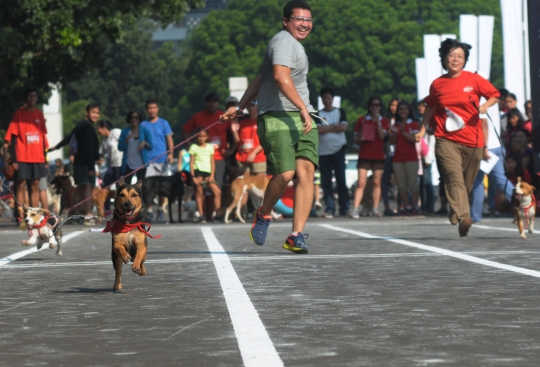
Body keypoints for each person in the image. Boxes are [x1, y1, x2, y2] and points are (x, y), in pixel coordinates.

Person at [220, 0, 318, 253]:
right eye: (299, 19)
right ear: (286, 21)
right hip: (278, 116)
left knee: (306, 173)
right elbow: (279, 77)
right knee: (286, 174)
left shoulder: (292, 45)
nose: (304, 24)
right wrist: (303, 108)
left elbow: (262, 76)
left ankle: (296, 235)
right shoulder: (284, 41)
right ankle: (263, 214)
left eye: (308, 20)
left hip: (302, 117)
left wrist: (241, 105)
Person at [415, 38, 499, 237]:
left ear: (465, 60)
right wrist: (422, 128)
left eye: (460, 56)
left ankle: (455, 210)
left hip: (474, 140)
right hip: (446, 139)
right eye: (451, 55)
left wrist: (486, 106)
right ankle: (464, 217)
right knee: (454, 178)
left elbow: (495, 95)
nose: (455, 59)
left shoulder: (474, 80)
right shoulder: (438, 84)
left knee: (466, 183)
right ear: (444, 59)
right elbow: (430, 105)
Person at [50, 103, 100, 225]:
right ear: (87, 113)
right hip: (86, 163)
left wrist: (56, 147)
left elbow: (69, 137)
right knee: (87, 186)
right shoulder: (87, 127)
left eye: (97, 113)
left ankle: (76, 215)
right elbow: (88, 148)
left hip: (79, 161)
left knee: (80, 188)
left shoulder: (80, 125)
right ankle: (88, 215)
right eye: (93, 112)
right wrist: (90, 167)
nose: (95, 115)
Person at [3, 88, 49, 220]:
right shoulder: (18, 114)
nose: (33, 98)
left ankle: (34, 216)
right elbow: (12, 138)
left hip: (38, 156)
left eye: (35, 96)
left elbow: (43, 137)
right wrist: (14, 159)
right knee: (21, 185)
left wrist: (45, 158)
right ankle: (21, 216)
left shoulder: (39, 114)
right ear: (26, 98)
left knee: (35, 186)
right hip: (22, 156)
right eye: (30, 96)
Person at [470, 112, 514, 223]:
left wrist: (484, 147)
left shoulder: (480, 101)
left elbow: (483, 123)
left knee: (477, 182)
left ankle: (475, 216)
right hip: (496, 145)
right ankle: (522, 206)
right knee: (501, 180)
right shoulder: (492, 102)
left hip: (485, 147)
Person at [349, 96, 389, 218]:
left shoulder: (384, 121)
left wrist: (378, 122)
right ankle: (355, 208)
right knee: (361, 182)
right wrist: (359, 139)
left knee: (377, 182)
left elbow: (382, 136)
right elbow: (355, 137)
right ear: (369, 107)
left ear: (380, 107)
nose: (374, 107)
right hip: (364, 154)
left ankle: (375, 209)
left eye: (377, 105)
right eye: (372, 105)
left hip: (378, 154)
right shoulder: (362, 120)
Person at [183, 93, 232, 190]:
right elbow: (185, 130)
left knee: (218, 187)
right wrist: (189, 145)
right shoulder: (197, 117)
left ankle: (217, 206)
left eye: (214, 102)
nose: (212, 104)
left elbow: (234, 134)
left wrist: (231, 149)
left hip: (219, 158)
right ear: (206, 103)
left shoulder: (223, 116)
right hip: (201, 159)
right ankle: (204, 206)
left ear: (217, 103)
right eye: (209, 102)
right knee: (201, 189)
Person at [315, 87, 349, 218]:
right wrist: (335, 126)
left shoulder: (340, 112)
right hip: (323, 152)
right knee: (326, 182)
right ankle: (330, 208)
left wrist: (327, 127)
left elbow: (344, 127)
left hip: (339, 150)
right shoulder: (317, 114)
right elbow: (318, 130)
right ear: (322, 100)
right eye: (324, 98)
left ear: (332, 99)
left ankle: (344, 207)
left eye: (329, 98)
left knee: (341, 180)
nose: (327, 100)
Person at [140, 99, 174, 221]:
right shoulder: (143, 124)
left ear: (158, 108)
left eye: (154, 107)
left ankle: (160, 209)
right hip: (148, 161)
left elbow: (169, 139)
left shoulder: (164, 123)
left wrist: (171, 153)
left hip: (163, 160)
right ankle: (148, 210)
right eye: (149, 108)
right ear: (147, 109)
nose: (152, 110)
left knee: (162, 187)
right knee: (148, 188)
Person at [389, 101, 421, 215]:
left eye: (405, 109)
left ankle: (414, 206)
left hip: (411, 158)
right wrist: (397, 133)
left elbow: (415, 139)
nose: (403, 111)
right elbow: (391, 142)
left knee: (413, 184)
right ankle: (406, 206)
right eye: (400, 109)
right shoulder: (395, 125)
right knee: (401, 185)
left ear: (409, 111)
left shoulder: (414, 124)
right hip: (398, 159)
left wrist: (403, 132)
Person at [188, 128, 221, 223]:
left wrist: (212, 175)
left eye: (203, 136)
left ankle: (217, 214)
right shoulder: (193, 147)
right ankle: (201, 215)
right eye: (199, 136)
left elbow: (212, 162)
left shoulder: (210, 147)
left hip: (208, 172)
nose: (201, 138)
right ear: (196, 137)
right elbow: (191, 163)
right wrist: (193, 176)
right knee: (199, 192)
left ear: (207, 137)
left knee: (217, 192)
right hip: (198, 170)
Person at [96, 120, 123, 215]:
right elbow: (101, 154)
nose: (98, 131)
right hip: (112, 165)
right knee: (105, 186)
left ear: (104, 127)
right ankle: (107, 209)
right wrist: (99, 160)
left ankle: (121, 209)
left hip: (120, 164)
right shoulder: (104, 141)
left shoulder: (115, 132)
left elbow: (124, 141)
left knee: (120, 187)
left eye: (98, 128)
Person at [118, 110, 153, 182]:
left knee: (141, 186)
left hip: (141, 163)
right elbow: (119, 147)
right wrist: (126, 141)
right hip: (128, 163)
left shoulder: (144, 131)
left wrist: (145, 143)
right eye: (132, 118)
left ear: (139, 119)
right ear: (129, 119)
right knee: (125, 186)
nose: (134, 119)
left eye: (136, 118)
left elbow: (151, 146)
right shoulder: (125, 131)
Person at [418, 101, 436, 214]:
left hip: (427, 155)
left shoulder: (430, 121)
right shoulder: (419, 120)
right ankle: (423, 206)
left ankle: (430, 206)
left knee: (427, 182)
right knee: (421, 182)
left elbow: (431, 142)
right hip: (418, 156)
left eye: (423, 106)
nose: (420, 108)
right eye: (419, 106)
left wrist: (428, 158)